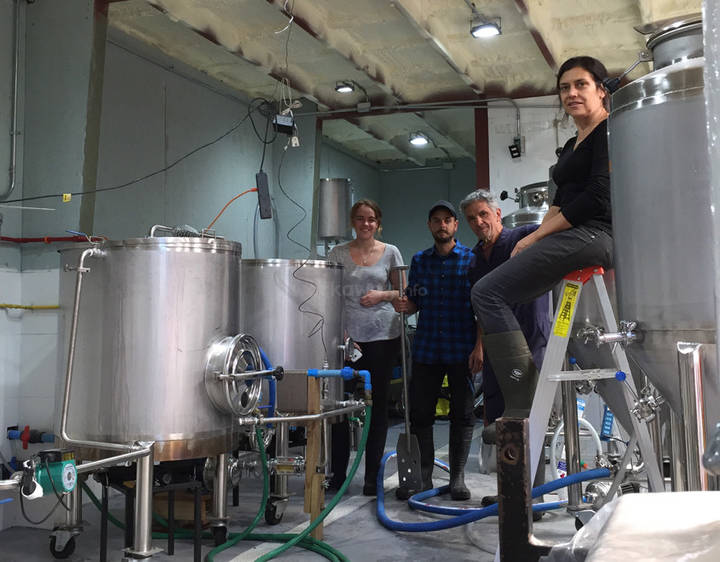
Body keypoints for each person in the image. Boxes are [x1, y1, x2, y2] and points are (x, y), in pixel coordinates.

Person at [470, 56, 612, 440]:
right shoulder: (570, 146)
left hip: (595, 235)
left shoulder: (608, 132)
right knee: (498, 292)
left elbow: (597, 198)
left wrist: (533, 238)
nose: (571, 93)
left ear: (601, 89)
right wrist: (538, 236)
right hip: (571, 237)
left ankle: (524, 400)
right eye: (564, 87)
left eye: (580, 84)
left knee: (486, 291)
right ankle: (529, 400)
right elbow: (557, 203)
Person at [461, 189, 551, 515]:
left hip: (529, 345)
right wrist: (479, 346)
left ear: (498, 214)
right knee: (501, 419)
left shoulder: (524, 237)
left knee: (528, 418)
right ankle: (509, 493)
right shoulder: (475, 260)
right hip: (497, 351)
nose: (478, 221)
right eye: (471, 217)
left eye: (483, 214)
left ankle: (535, 496)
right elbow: (482, 309)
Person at [392, 200, 481, 500]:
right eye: (436, 220)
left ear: (455, 225)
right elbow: (417, 300)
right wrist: (408, 304)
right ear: (430, 226)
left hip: (462, 348)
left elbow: (482, 307)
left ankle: (457, 478)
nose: (442, 225)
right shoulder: (420, 261)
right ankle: (424, 477)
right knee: (420, 415)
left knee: (463, 414)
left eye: (447, 220)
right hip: (428, 348)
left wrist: (480, 347)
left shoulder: (471, 259)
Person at [328, 199, 403, 496]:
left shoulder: (391, 252)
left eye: (371, 219)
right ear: (352, 222)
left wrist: (381, 295)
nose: (366, 223)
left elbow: (403, 291)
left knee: (378, 407)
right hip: (347, 341)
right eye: (360, 218)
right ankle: (337, 475)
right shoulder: (337, 254)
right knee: (340, 408)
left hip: (383, 336)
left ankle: (372, 476)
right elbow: (328, 295)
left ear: (378, 223)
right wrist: (341, 333)